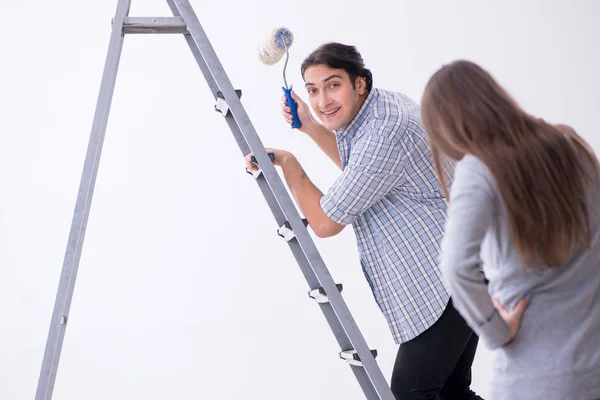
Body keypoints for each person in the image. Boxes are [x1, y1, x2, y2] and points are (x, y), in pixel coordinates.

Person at [245, 43, 483, 399]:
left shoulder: (384, 132)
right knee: (450, 393)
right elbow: (363, 175)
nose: (323, 100)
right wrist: (309, 125)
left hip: (449, 280)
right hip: (462, 268)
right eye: (312, 90)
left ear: (360, 83)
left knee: (411, 391)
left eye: (333, 85)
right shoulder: (380, 108)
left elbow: (326, 223)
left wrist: (290, 164)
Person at [420, 59, 600, 400]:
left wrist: (495, 332)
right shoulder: (569, 142)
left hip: (536, 377)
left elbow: (456, 266)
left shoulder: (479, 168)